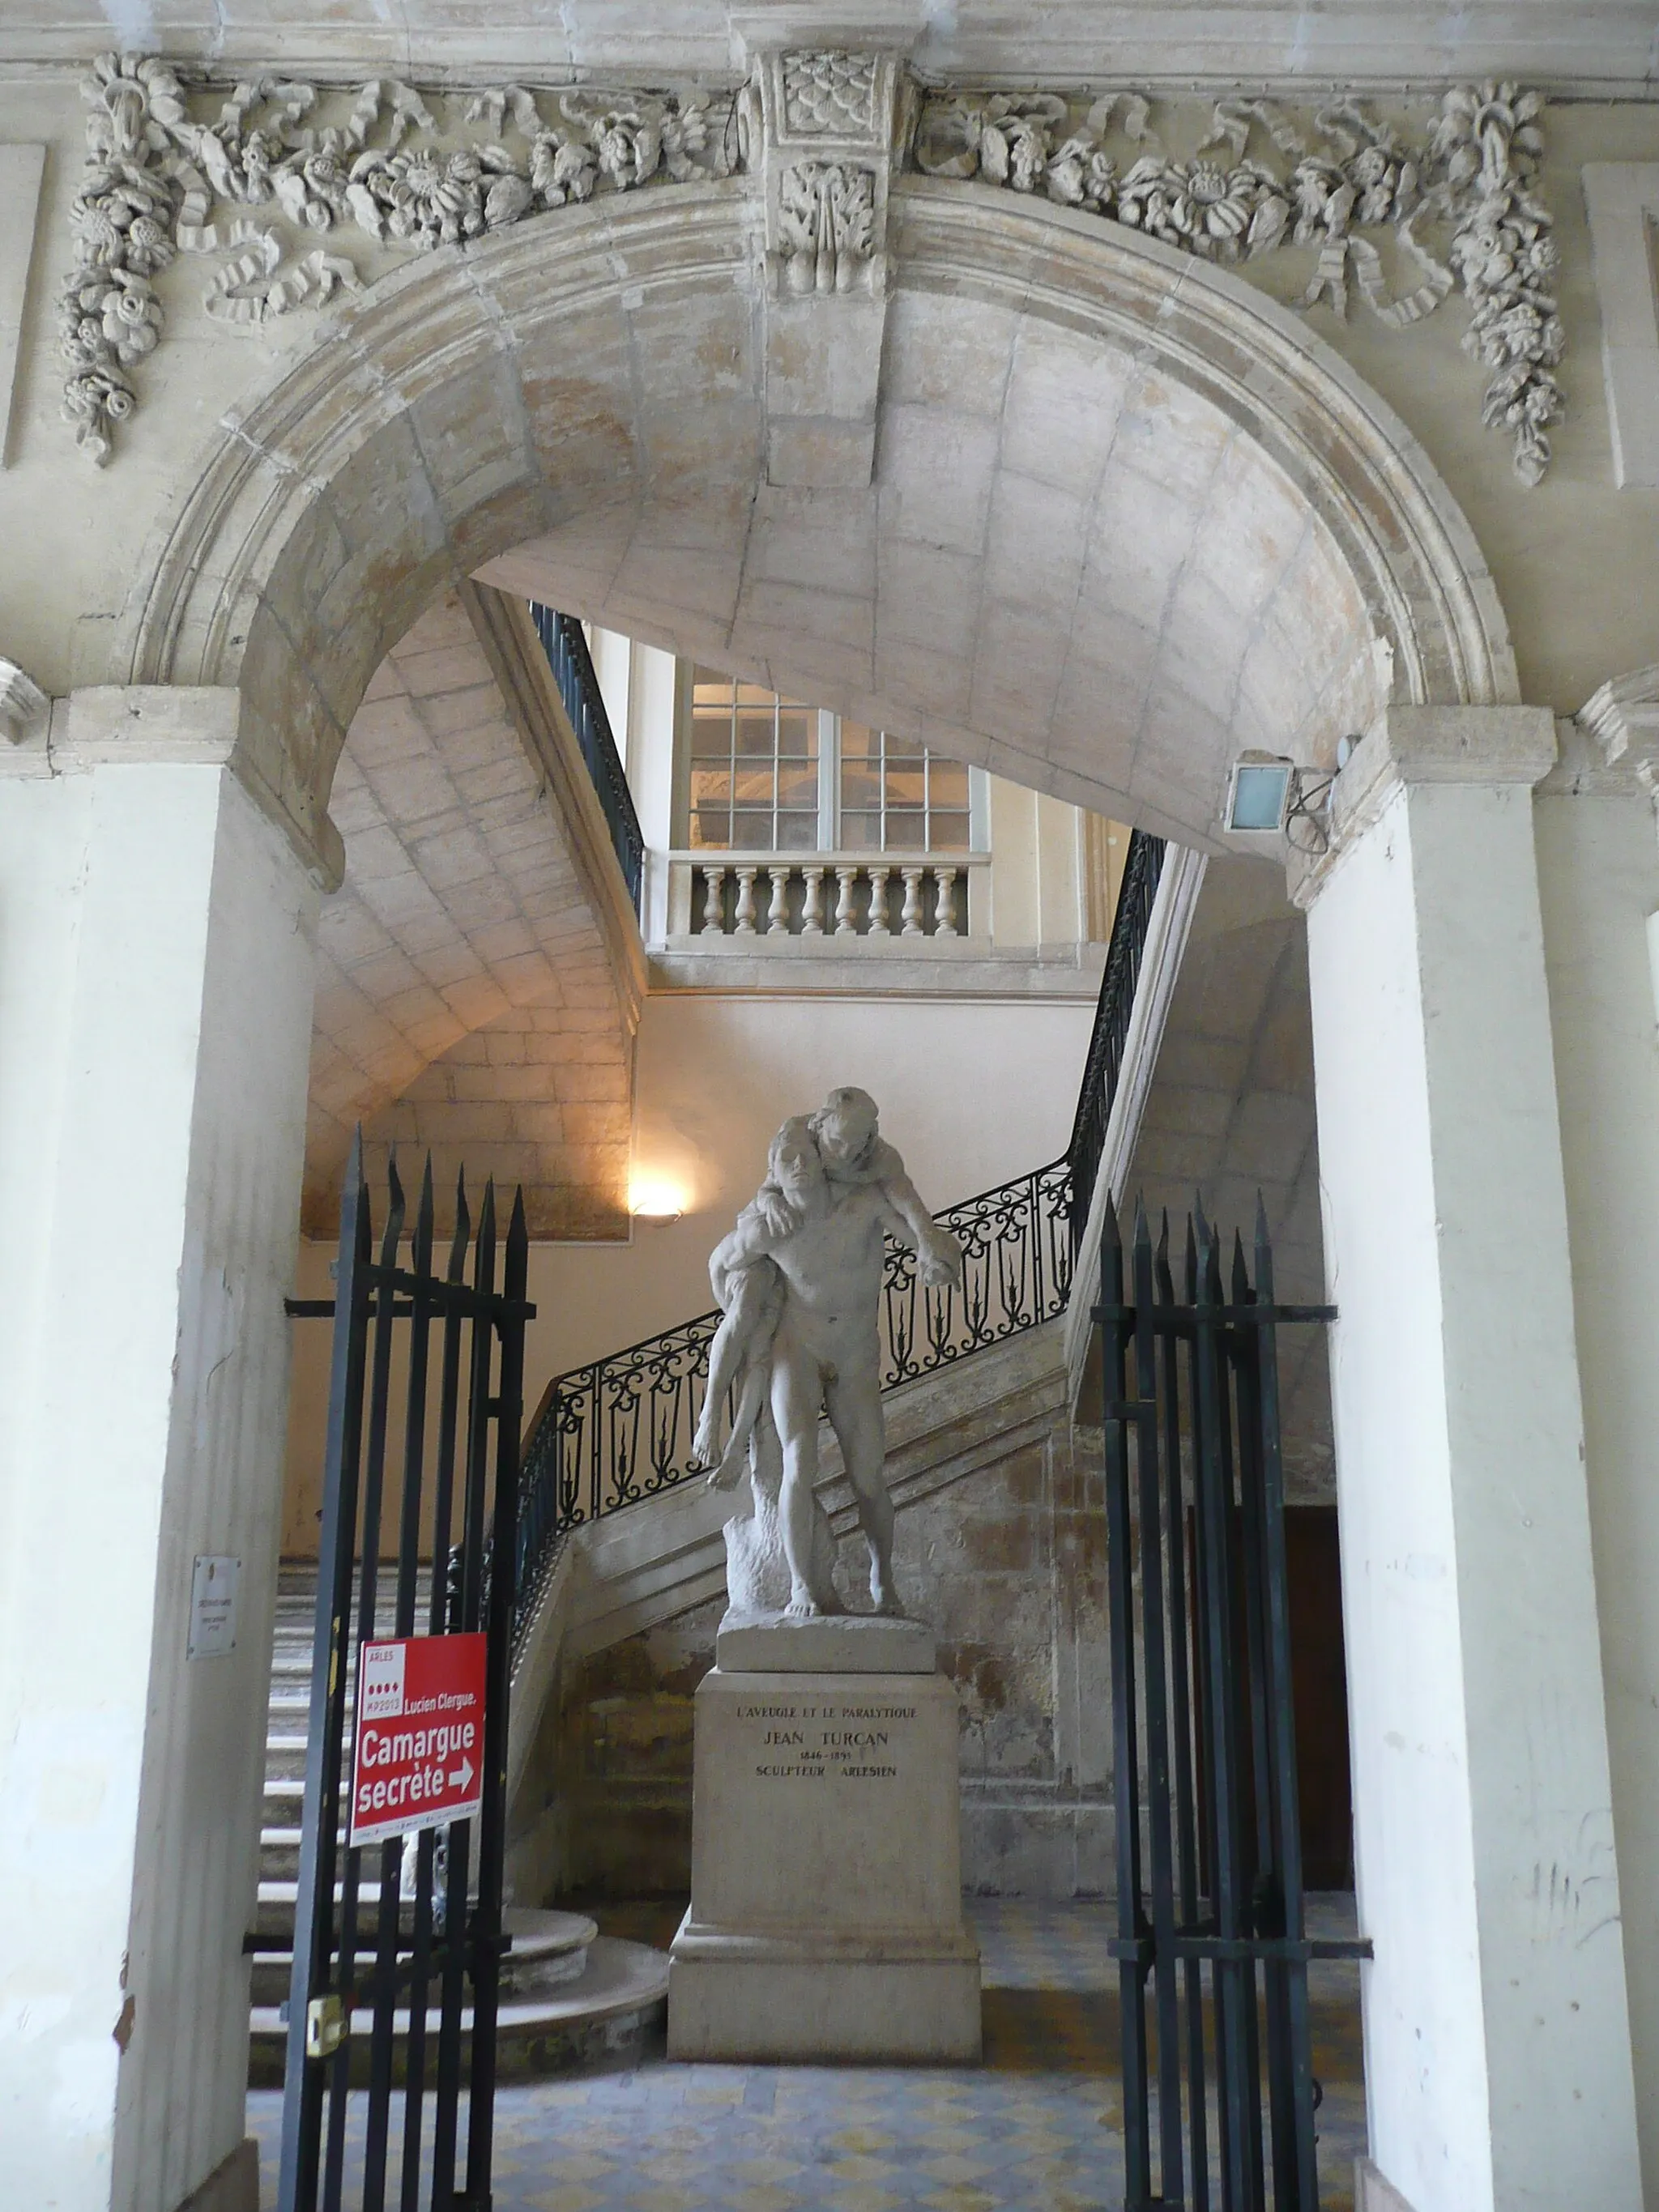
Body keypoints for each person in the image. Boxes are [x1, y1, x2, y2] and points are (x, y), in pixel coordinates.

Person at [694, 1096, 963, 1618]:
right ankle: (802, 1587)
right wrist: (744, 1303)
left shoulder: (868, 1202)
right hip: (799, 1347)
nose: (841, 1152)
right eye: (833, 1141)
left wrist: (939, 1263)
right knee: (799, 1462)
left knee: (869, 1478)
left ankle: (881, 1574)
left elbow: (924, 1241)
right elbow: (719, 1264)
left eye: (850, 1143)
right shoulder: (770, 1225)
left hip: (856, 1353)